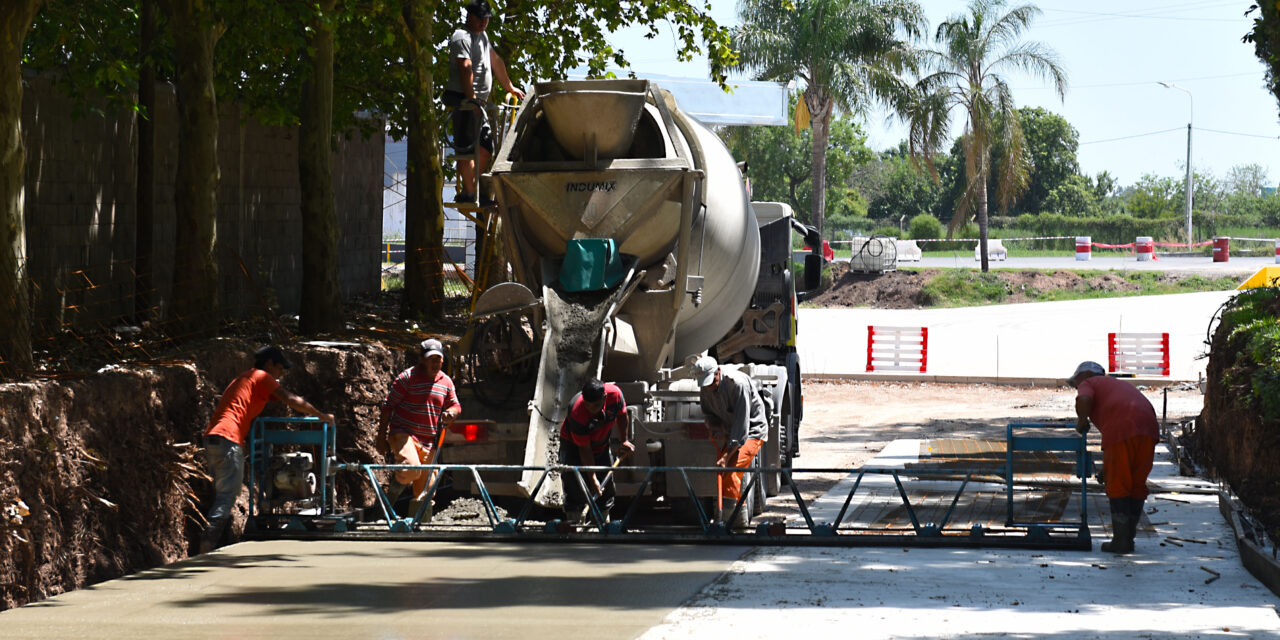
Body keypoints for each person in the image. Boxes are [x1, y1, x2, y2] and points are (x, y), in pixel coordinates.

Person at [200, 345, 335, 553]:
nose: (282, 374)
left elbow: (276, 398)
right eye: (281, 368)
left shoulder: (249, 379)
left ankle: (221, 544)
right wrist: (321, 416)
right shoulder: (262, 376)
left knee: (223, 494)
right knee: (227, 496)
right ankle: (207, 548)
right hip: (228, 439)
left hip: (214, 439)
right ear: (270, 363)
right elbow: (289, 398)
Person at [1068, 360, 1160, 554]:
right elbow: (1122, 455)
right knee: (1136, 484)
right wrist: (1106, 468)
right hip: (1149, 427)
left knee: (1118, 485)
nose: (1077, 388)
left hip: (1122, 428)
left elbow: (1084, 400)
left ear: (1083, 376)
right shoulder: (1118, 385)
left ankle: (1121, 542)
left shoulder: (1090, 383)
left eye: (1076, 384)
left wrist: (1082, 421)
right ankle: (1128, 539)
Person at [443, 0, 525, 204]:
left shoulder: (483, 37)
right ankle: (470, 194)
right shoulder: (461, 36)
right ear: (469, 16)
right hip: (465, 103)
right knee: (466, 151)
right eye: (480, 18)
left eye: (486, 18)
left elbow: (495, 61)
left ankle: (471, 191)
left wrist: (510, 87)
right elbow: (465, 68)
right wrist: (472, 101)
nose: (483, 22)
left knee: (485, 149)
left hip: (478, 103)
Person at [377, 338, 461, 518]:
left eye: (438, 359)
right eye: (431, 359)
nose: (435, 363)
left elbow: (455, 406)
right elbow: (388, 407)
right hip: (404, 433)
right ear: (422, 359)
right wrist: (381, 437)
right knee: (411, 468)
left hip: (428, 440)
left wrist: (451, 414)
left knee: (427, 491)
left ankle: (420, 526)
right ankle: (386, 505)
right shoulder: (407, 378)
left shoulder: (445, 382)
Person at [694, 355, 767, 524]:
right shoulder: (705, 386)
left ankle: (734, 524)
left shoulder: (738, 384)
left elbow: (742, 428)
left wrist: (726, 457)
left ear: (718, 371)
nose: (709, 387)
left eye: (712, 381)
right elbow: (708, 413)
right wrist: (714, 427)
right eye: (705, 383)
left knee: (730, 473)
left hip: (751, 431)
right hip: (730, 429)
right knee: (724, 472)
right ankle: (727, 521)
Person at [559, 378, 634, 524]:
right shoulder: (577, 412)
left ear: (604, 397)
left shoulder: (615, 395)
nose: (591, 410)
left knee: (605, 483)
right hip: (574, 445)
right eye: (588, 406)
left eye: (596, 406)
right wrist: (592, 479)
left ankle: (602, 522)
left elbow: (622, 415)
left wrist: (624, 440)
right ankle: (574, 523)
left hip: (601, 443)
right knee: (574, 481)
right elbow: (585, 450)